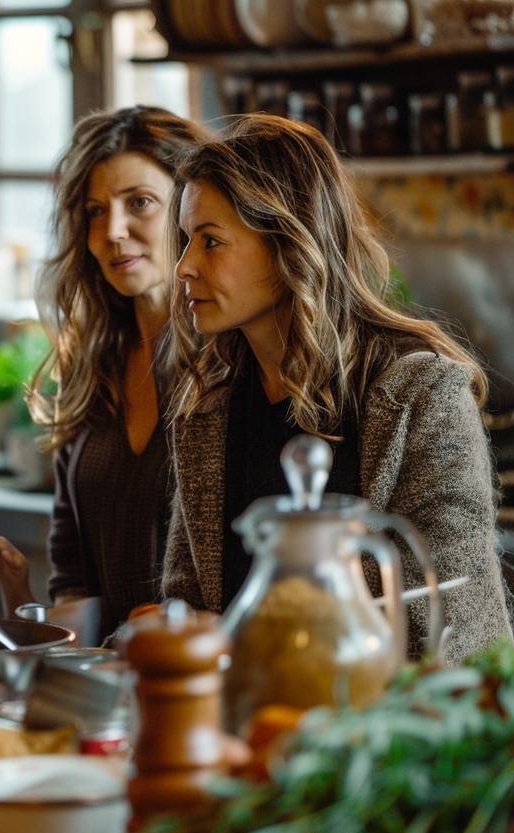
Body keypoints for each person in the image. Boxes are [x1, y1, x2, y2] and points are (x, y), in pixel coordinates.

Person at [163, 113, 512, 662]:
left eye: (211, 242)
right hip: (252, 730)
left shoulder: (422, 395)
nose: (183, 267)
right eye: (186, 241)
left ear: (288, 245)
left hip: (393, 733)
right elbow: (186, 602)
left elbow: (452, 620)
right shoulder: (207, 409)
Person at [0, 107, 209, 640]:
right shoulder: (91, 374)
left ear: (193, 210)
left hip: (199, 684)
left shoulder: (234, 369)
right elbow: (75, 598)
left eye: (140, 203)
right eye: (94, 211)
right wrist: (17, 585)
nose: (112, 231)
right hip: (106, 695)